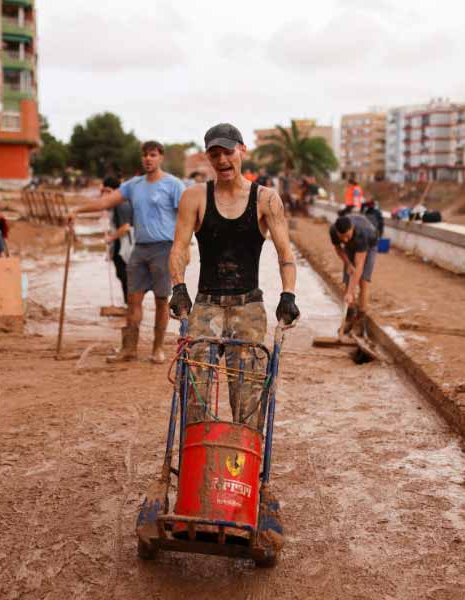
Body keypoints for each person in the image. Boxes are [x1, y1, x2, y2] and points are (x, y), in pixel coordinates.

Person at [169, 123, 300, 429]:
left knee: (248, 393)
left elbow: (285, 254)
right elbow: (179, 248)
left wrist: (288, 295)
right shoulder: (195, 197)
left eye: (228, 152)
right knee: (195, 390)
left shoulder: (266, 199)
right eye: (215, 154)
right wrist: (178, 287)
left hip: (248, 307)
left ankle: (243, 468)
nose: (223, 160)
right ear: (208, 158)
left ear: (242, 150)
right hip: (205, 306)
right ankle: (196, 461)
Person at [68, 141, 186, 363]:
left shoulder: (173, 185)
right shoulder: (134, 185)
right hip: (140, 249)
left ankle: (157, 348)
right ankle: (129, 348)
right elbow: (105, 202)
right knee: (133, 300)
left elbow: (187, 218)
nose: (148, 159)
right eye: (144, 155)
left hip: (165, 248)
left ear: (161, 157)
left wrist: (183, 248)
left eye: (152, 155)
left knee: (162, 301)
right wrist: (77, 210)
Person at [330, 214, 379, 325]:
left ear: (352, 228)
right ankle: (349, 318)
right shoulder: (333, 230)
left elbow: (359, 265)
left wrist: (351, 292)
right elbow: (338, 248)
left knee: (363, 282)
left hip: (370, 244)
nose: (345, 240)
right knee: (348, 280)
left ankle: (361, 317)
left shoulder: (363, 233)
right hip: (352, 246)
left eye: (347, 236)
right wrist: (347, 263)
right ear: (337, 232)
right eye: (342, 237)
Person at [103, 176, 134, 300]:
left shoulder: (121, 204)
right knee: (121, 275)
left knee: (124, 275)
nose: (105, 194)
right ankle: (129, 305)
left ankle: (131, 305)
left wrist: (110, 238)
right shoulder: (116, 204)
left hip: (124, 245)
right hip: (120, 244)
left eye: (106, 191)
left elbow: (126, 227)